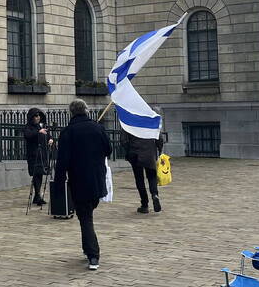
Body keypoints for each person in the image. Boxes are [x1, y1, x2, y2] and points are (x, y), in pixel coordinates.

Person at [53, 99, 112, 271]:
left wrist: (58, 185)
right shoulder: (98, 128)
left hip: (79, 180)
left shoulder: (68, 132)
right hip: (97, 179)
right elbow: (108, 150)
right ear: (86, 110)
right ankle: (88, 249)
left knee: (85, 218)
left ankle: (93, 254)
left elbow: (62, 161)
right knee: (86, 215)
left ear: (71, 112)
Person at [124, 130, 163, 213]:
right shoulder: (150, 122)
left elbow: (123, 139)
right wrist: (159, 149)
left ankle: (144, 204)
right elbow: (159, 137)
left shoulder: (131, 122)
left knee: (139, 179)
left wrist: (128, 150)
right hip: (149, 153)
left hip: (135, 153)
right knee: (152, 177)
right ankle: (155, 194)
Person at [22, 107, 52, 206]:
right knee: (36, 174)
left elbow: (47, 135)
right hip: (33, 155)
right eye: (35, 116)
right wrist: (38, 132)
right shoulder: (28, 127)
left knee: (40, 174)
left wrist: (50, 139)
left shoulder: (40, 126)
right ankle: (37, 195)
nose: (38, 117)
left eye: (38, 116)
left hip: (41, 155)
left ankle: (37, 195)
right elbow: (28, 135)